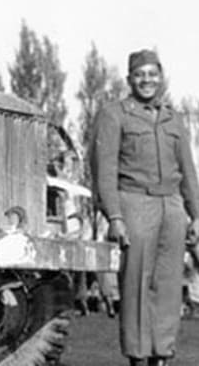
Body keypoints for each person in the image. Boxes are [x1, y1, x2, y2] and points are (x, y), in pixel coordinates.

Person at [90, 49, 199, 366]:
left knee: (168, 287)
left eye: (152, 74)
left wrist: (196, 215)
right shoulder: (114, 115)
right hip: (134, 203)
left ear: (161, 77)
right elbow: (104, 170)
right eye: (140, 75)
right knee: (136, 285)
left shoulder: (173, 119)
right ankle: (138, 358)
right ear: (129, 79)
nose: (146, 80)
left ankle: (162, 355)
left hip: (172, 208)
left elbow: (188, 172)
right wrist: (114, 216)